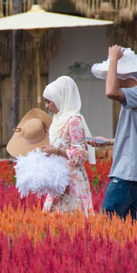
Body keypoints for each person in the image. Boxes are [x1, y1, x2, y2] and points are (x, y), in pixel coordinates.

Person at [90, 45, 137, 221]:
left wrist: (113, 59)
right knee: (129, 228)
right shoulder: (136, 97)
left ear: (124, 74)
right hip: (131, 172)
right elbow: (135, 134)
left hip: (129, 172)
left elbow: (110, 91)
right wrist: (109, 141)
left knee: (107, 221)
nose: (112, 77)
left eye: (115, 73)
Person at [38, 75, 95, 215]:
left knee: (74, 225)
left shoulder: (74, 120)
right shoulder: (57, 120)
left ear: (60, 99)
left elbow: (81, 155)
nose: (46, 106)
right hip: (58, 181)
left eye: (48, 102)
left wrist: (56, 151)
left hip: (73, 183)